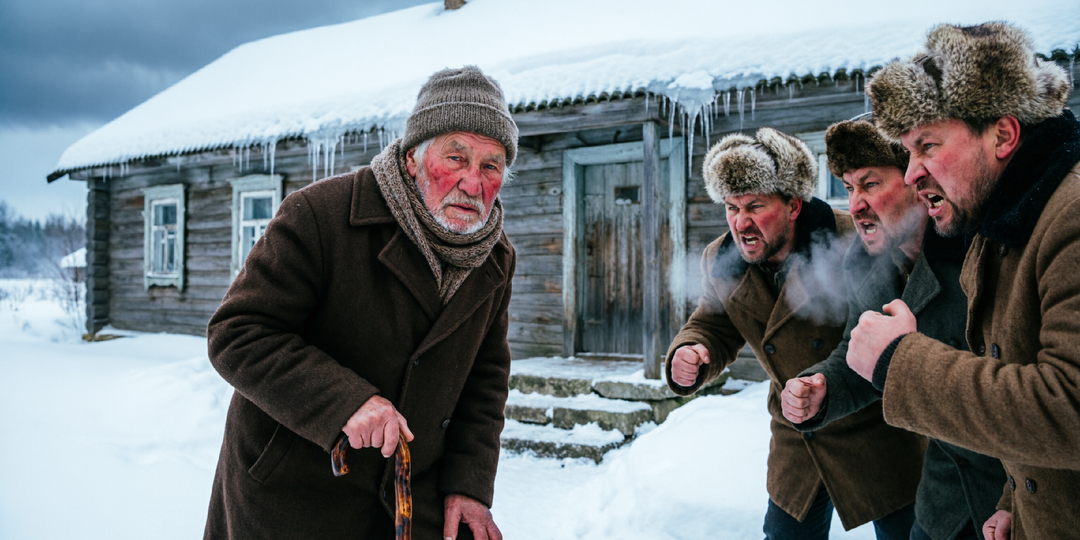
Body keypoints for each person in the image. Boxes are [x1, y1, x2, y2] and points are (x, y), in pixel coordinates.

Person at [203, 65, 517, 540]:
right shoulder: (320, 216)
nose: (473, 184)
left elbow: (484, 378)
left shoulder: (494, 257)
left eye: (491, 166)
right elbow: (237, 332)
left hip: (408, 506)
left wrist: (468, 485)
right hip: (292, 498)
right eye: (456, 158)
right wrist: (345, 402)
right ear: (413, 158)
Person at [845, 22, 1079, 540]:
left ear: (1002, 135)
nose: (910, 174)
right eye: (907, 152)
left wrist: (897, 361)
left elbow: (1069, 408)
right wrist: (1017, 496)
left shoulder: (1071, 217)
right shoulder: (1000, 226)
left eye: (926, 145)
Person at [665, 127, 925, 540]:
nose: (740, 222)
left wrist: (826, 385)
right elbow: (713, 323)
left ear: (793, 205)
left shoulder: (852, 240)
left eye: (754, 205)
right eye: (731, 207)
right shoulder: (721, 259)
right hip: (795, 437)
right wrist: (692, 351)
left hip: (874, 433)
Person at [780, 115, 1005, 540]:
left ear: (918, 181)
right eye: (848, 189)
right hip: (944, 489)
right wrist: (824, 387)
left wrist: (1015, 497)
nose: (855, 205)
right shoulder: (866, 264)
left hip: (1013, 484)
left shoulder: (978, 250)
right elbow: (860, 354)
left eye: (870, 184)